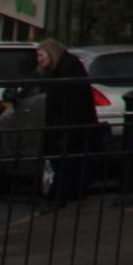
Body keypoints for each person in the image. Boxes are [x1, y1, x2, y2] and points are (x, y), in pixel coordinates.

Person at [30, 38, 98, 213]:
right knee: (68, 161)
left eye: (41, 55)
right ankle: (66, 193)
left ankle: (59, 196)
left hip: (67, 126)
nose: (39, 59)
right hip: (69, 125)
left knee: (63, 162)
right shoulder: (65, 67)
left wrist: (63, 128)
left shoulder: (66, 69)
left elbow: (70, 102)